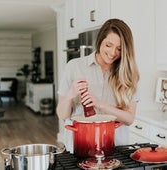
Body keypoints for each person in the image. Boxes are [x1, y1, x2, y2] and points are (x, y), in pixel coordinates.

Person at [56, 18, 140, 152]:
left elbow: (129, 119)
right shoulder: (74, 66)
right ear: (100, 41)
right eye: (108, 45)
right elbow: (62, 114)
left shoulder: (128, 74)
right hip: (80, 147)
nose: (113, 53)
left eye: (119, 48)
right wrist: (70, 95)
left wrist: (100, 104)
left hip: (116, 147)